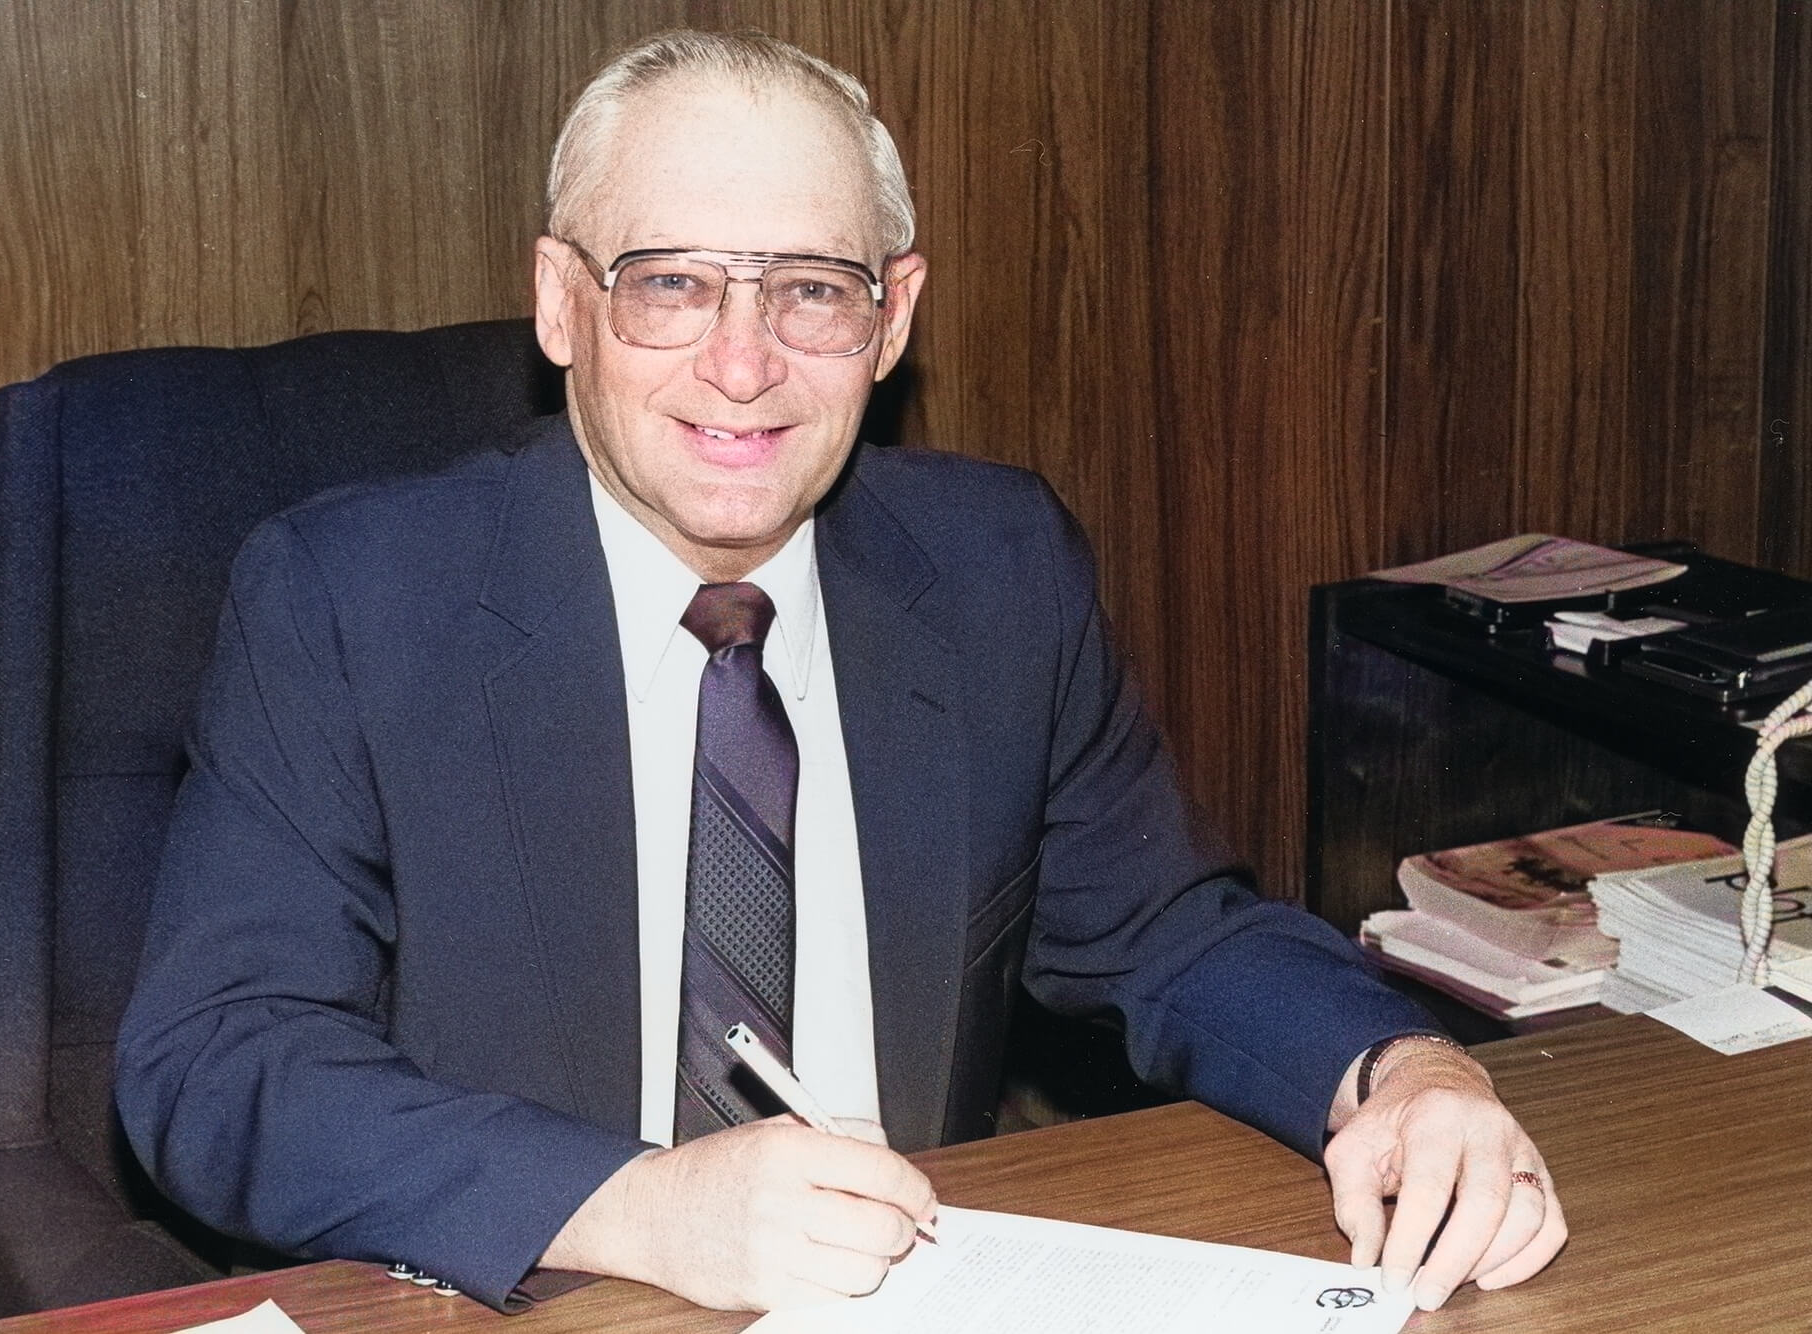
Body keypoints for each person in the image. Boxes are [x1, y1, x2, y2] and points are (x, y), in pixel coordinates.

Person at [116, 29, 1565, 1318]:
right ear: (562, 303)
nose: (744, 365)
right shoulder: (349, 598)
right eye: (670, 283)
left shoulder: (997, 571)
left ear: (894, 316)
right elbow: (219, 1056)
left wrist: (1401, 1073)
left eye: (811, 288)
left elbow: (1172, 934)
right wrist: (638, 1203)